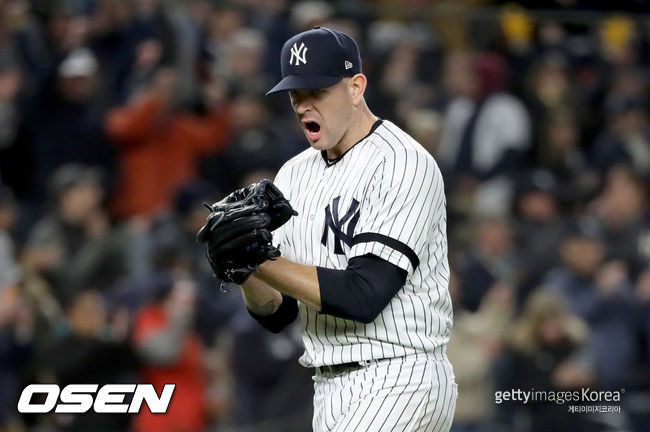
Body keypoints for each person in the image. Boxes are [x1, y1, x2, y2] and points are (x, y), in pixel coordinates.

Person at [216, 27, 457, 431]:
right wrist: (243, 270)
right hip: (327, 387)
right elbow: (277, 312)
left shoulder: (402, 163)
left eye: (317, 93)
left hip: (400, 376)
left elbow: (364, 295)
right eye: (296, 95)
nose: (304, 106)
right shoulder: (292, 175)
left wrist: (258, 258)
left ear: (355, 87)